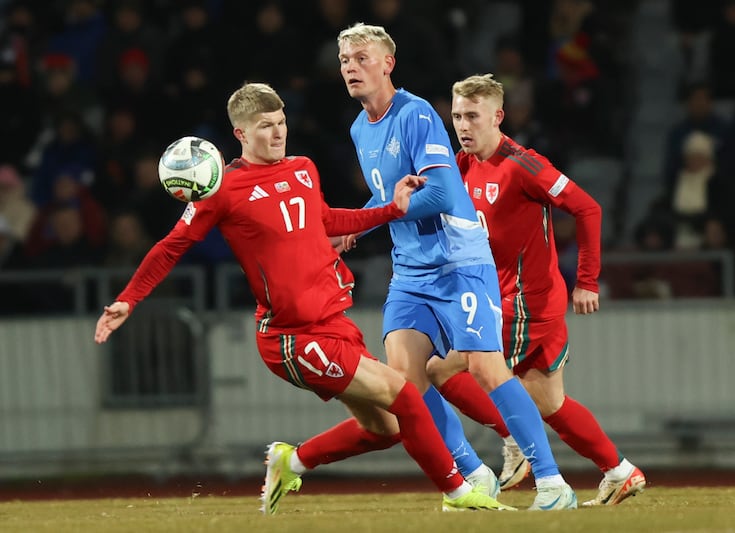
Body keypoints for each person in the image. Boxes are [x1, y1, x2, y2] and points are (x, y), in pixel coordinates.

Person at [94, 82, 513, 514]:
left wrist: (393, 209)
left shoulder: (303, 168)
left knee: (386, 428)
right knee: (405, 395)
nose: (278, 134)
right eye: (265, 127)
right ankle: (460, 493)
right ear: (240, 134)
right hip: (292, 336)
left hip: (333, 321)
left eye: (281, 123)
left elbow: (328, 219)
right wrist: (129, 298)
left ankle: (290, 461)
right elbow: (171, 246)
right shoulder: (223, 190)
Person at [334, 23, 577, 510]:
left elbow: (444, 192)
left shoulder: (417, 113)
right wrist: (357, 224)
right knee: (404, 380)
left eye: (362, 58)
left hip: (458, 260)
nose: (351, 68)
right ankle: (473, 473)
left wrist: (377, 216)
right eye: (344, 61)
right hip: (410, 272)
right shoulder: (360, 127)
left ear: (388, 63)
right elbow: (392, 195)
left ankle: (553, 484)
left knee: (487, 368)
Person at [431, 72, 646, 506]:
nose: (463, 125)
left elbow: (587, 208)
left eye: (473, 116)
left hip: (526, 302)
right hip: (510, 299)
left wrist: (587, 280)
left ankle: (512, 439)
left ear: (498, 116)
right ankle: (620, 470)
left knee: (441, 369)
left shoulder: (524, 164)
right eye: (457, 116)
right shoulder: (461, 165)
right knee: (549, 403)